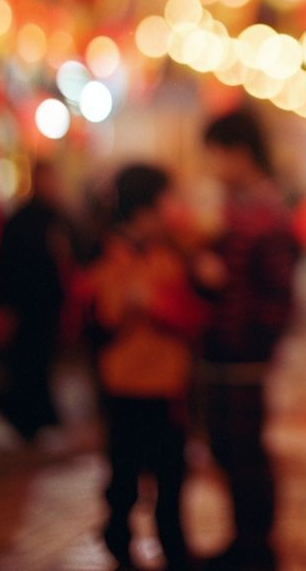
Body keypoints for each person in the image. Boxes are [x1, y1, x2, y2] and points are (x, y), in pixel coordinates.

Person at [80, 163, 208, 571]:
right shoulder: (104, 255)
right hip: (122, 386)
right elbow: (92, 319)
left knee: (172, 475)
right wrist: (124, 302)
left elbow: (192, 316)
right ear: (143, 210)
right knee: (123, 474)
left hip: (168, 384)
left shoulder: (174, 253)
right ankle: (118, 536)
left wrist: (153, 304)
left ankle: (173, 545)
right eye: (163, 204)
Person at [200, 107, 299, 571]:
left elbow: (276, 292)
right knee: (229, 449)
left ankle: (255, 549)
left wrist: (257, 342)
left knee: (243, 452)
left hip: (243, 353)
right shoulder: (236, 206)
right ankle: (245, 542)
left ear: (238, 153)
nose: (211, 165)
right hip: (225, 350)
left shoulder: (263, 212)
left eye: (215, 154)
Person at [0, 160, 75, 442]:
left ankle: (36, 417)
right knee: (28, 361)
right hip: (26, 304)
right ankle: (29, 417)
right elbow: (8, 264)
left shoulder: (57, 217)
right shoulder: (24, 219)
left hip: (46, 304)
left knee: (40, 361)